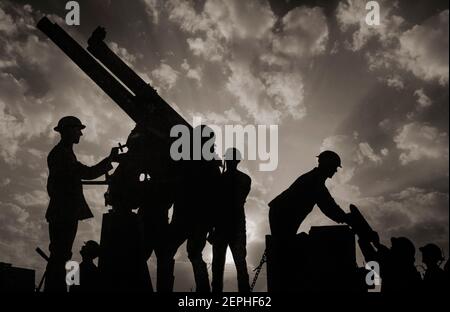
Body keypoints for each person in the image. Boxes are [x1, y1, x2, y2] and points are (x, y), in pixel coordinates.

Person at [44, 116, 118, 292]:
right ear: (69, 131)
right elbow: (88, 172)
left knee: (61, 254)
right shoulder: (62, 155)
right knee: (60, 255)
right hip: (64, 212)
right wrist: (110, 159)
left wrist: (109, 160)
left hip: (63, 211)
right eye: (78, 129)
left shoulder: (65, 154)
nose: (81, 133)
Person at [269, 150, 349, 237]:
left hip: (281, 212)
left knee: (285, 243)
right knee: (284, 244)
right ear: (328, 165)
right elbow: (328, 205)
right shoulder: (314, 180)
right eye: (334, 166)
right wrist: (345, 218)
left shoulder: (315, 178)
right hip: (282, 213)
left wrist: (344, 217)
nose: (335, 171)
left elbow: (328, 204)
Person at [211, 148, 251, 293]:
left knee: (219, 268)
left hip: (227, 227)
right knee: (238, 267)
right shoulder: (244, 179)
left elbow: (216, 205)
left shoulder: (221, 180)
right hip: (234, 226)